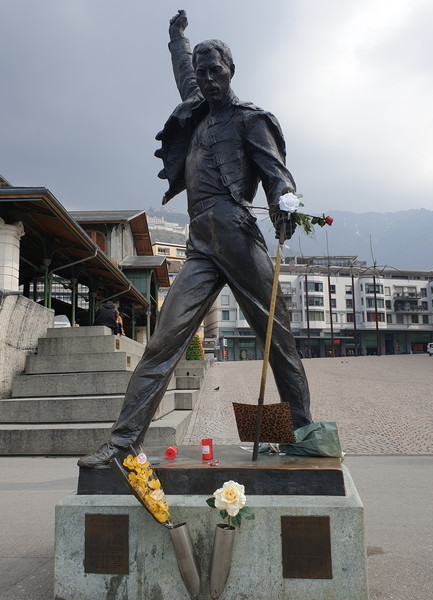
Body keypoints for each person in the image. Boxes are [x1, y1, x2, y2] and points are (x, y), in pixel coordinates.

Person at [78, 10, 312, 468]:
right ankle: (123, 443)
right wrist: (175, 37)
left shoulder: (252, 120)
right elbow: (183, 71)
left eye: (215, 70)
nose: (206, 79)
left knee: (276, 338)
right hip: (201, 243)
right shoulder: (196, 108)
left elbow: (277, 175)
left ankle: (301, 434)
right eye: (202, 71)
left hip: (239, 236)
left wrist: (285, 204)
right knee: (164, 340)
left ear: (230, 71)